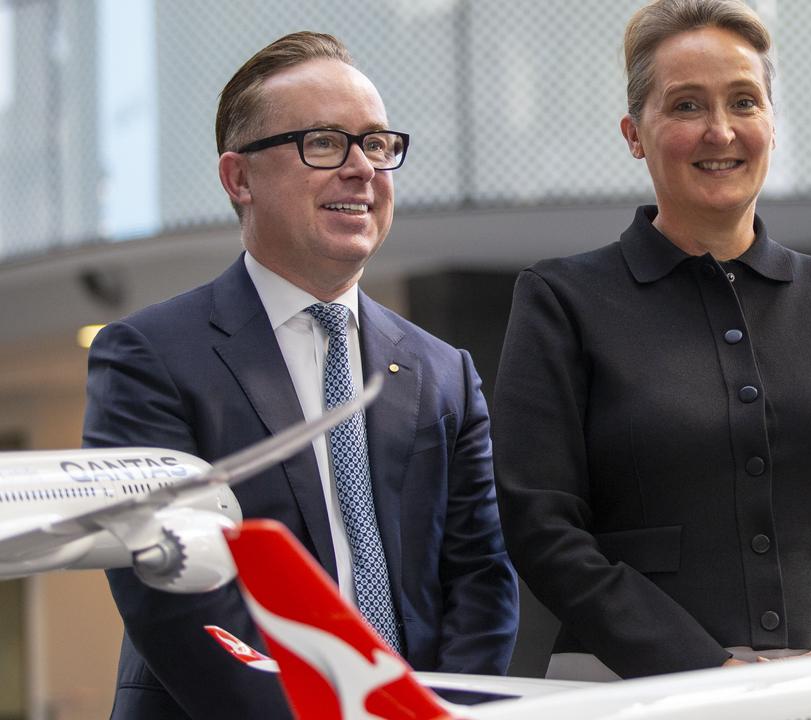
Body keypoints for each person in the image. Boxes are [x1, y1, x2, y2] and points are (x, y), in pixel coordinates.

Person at [491, 0, 811, 681]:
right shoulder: (562, 302)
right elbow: (540, 523)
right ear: (634, 132)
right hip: (632, 692)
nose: (720, 131)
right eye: (685, 106)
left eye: (744, 101)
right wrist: (700, 668)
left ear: (771, 121)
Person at [83, 32, 518, 718]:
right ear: (239, 178)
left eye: (377, 145)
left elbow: (480, 579)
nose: (362, 169)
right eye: (323, 143)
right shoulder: (148, 357)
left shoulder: (444, 372)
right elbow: (173, 592)